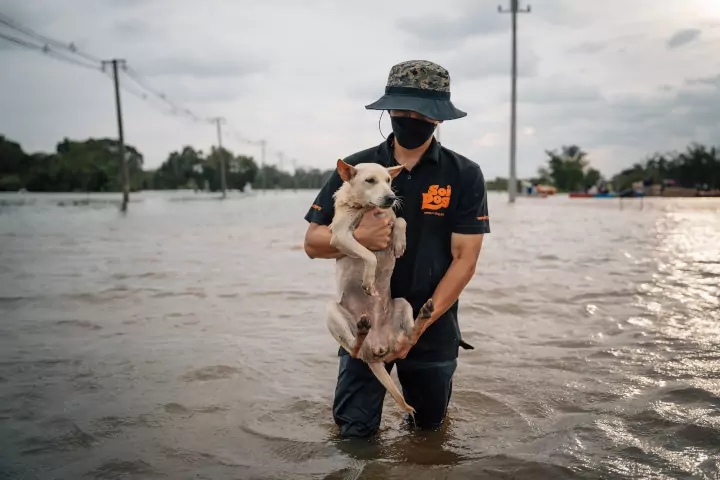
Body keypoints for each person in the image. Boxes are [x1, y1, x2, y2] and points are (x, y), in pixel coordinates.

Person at [302, 60, 490, 438]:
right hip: (363, 322)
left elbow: (464, 261)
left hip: (428, 326)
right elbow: (312, 243)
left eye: (420, 112)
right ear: (387, 110)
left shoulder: (463, 174)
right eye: (400, 110)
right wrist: (363, 240)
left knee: (430, 435)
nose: (409, 118)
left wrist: (418, 331)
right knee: (354, 436)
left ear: (439, 118)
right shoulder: (356, 168)